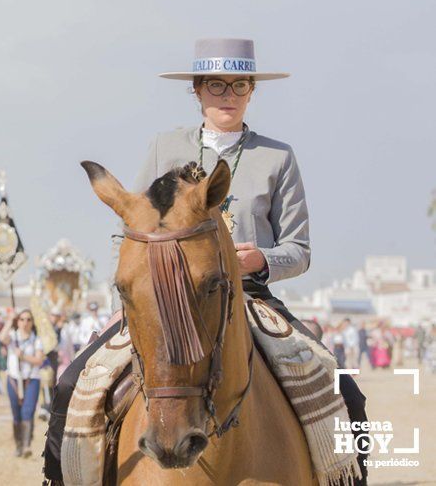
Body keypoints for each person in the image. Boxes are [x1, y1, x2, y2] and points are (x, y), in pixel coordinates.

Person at [44, 38, 369, 484]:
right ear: (196, 91)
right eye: (216, 85)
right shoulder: (164, 146)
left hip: (249, 296)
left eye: (239, 85)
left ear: (252, 91)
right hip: (164, 297)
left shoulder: (278, 157)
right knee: (72, 383)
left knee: (343, 390)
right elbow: (133, 225)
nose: (228, 95)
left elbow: (299, 249)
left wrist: (260, 258)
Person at [0, 309, 45, 458]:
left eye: (28, 319)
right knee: (16, 414)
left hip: (31, 379)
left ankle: (26, 446)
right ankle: (18, 444)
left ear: (32, 322)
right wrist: (9, 320)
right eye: (22, 319)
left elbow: (39, 360)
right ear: (18, 322)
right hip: (13, 379)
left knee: (28, 411)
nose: (25, 322)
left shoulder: (36, 339)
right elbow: (2, 338)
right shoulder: (12, 336)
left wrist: (23, 356)